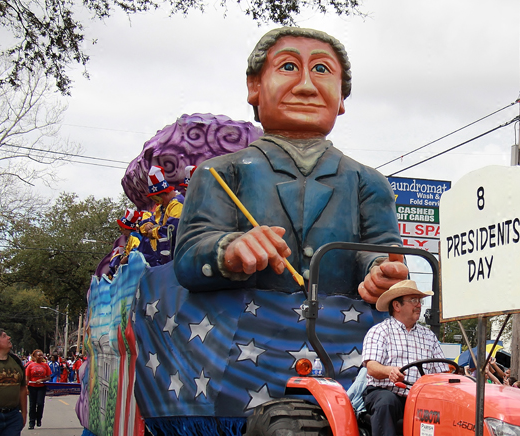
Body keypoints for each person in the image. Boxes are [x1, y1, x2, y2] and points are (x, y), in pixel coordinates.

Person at [174, 27, 406, 301]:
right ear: (254, 86)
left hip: (338, 326)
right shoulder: (219, 173)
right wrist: (229, 250)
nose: (306, 86)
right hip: (242, 325)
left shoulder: (367, 182)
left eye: (321, 69)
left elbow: (381, 252)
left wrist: (381, 272)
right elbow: (188, 257)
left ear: (342, 97)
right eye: (288, 67)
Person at [361, 280, 447, 436]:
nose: (419, 305)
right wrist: (389, 371)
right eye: (414, 300)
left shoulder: (428, 336)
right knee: (386, 402)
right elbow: (371, 367)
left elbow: (442, 371)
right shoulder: (380, 331)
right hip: (385, 390)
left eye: (419, 301)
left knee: (444, 410)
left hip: (418, 397)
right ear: (397, 305)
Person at [25, 349, 51, 430]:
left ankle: (39, 419)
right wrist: (26, 388)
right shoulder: (30, 366)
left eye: (41, 355)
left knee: (40, 403)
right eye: (39, 355)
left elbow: (49, 377)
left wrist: (41, 380)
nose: (40, 357)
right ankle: (31, 422)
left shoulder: (45, 365)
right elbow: (27, 378)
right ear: (34, 356)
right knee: (32, 405)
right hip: (32, 387)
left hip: (41, 387)